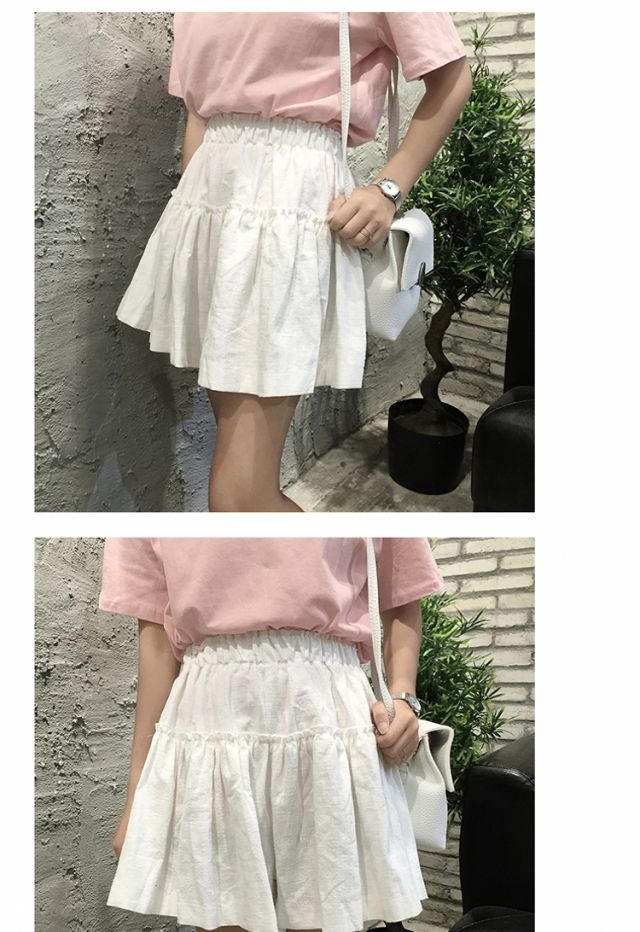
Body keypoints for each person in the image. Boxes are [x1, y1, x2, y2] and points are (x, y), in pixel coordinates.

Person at [114, 13, 472, 512]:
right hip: (209, 205)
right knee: (241, 483)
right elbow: (200, 109)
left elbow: (452, 76)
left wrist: (388, 188)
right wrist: (194, 205)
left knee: (239, 499)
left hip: (286, 199)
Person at [99, 536, 445, 932]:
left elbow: (401, 590)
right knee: (225, 917)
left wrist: (403, 695)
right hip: (211, 721)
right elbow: (157, 642)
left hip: (327, 714)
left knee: (325, 914)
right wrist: (138, 798)